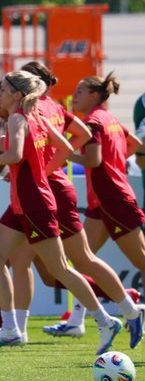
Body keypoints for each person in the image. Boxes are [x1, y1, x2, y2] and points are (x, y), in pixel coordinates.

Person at [0, 63, 144, 349]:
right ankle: (13, 328)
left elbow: (15, 155)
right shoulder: (39, 112)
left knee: (62, 268)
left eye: (2, 88)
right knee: (2, 259)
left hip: (38, 198)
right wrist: (46, 168)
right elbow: (66, 145)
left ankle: (111, 315)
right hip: (32, 197)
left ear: (16, 92)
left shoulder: (24, 116)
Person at [43, 72, 145, 337]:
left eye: (80, 90)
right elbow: (133, 144)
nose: (75, 95)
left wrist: (64, 154)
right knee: (82, 261)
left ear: (95, 95)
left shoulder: (94, 121)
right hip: (104, 201)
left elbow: (94, 160)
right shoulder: (109, 118)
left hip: (113, 199)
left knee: (142, 262)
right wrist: (115, 163)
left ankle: (128, 312)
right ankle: (76, 322)